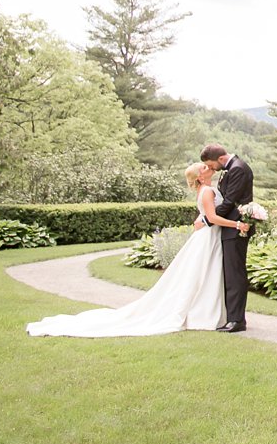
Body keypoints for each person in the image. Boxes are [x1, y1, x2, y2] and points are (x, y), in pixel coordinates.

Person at [25, 162, 248, 337]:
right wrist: (238, 224)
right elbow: (212, 217)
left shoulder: (208, 189)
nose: (207, 167)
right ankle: (202, 314)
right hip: (208, 237)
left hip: (208, 236)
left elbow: (205, 216)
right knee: (201, 275)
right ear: (199, 177)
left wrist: (202, 220)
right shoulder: (207, 192)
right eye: (203, 167)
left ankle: (207, 311)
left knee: (204, 276)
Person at [201, 144, 255, 333]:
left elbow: (230, 201)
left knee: (235, 274)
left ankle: (237, 320)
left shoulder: (238, 169)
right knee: (229, 274)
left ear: (220, 159)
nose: (212, 169)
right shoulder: (231, 168)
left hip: (237, 227)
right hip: (228, 227)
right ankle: (230, 316)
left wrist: (207, 220)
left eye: (211, 165)